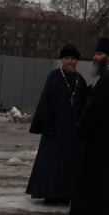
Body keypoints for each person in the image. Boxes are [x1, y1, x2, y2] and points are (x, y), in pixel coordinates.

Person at [70, 37, 109, 215]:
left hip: (99, 143)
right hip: (106, 141)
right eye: (95, 54)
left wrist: (80, 128)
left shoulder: (108, 80)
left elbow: (93, 112)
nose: (94, 58)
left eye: (99, 54)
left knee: (95, 183)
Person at [26, 43, 88, 203]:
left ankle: (68, 193)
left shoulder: (79, 79)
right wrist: (46, 123)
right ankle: (50, 193)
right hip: (56, 128)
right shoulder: (54, 76)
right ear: (62, 60)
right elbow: (45, 100)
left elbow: (84, 103)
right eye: (67, 58)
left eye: (73, 59)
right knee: (52, 163)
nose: (70, 61)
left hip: (73, 129)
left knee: (70, 162)